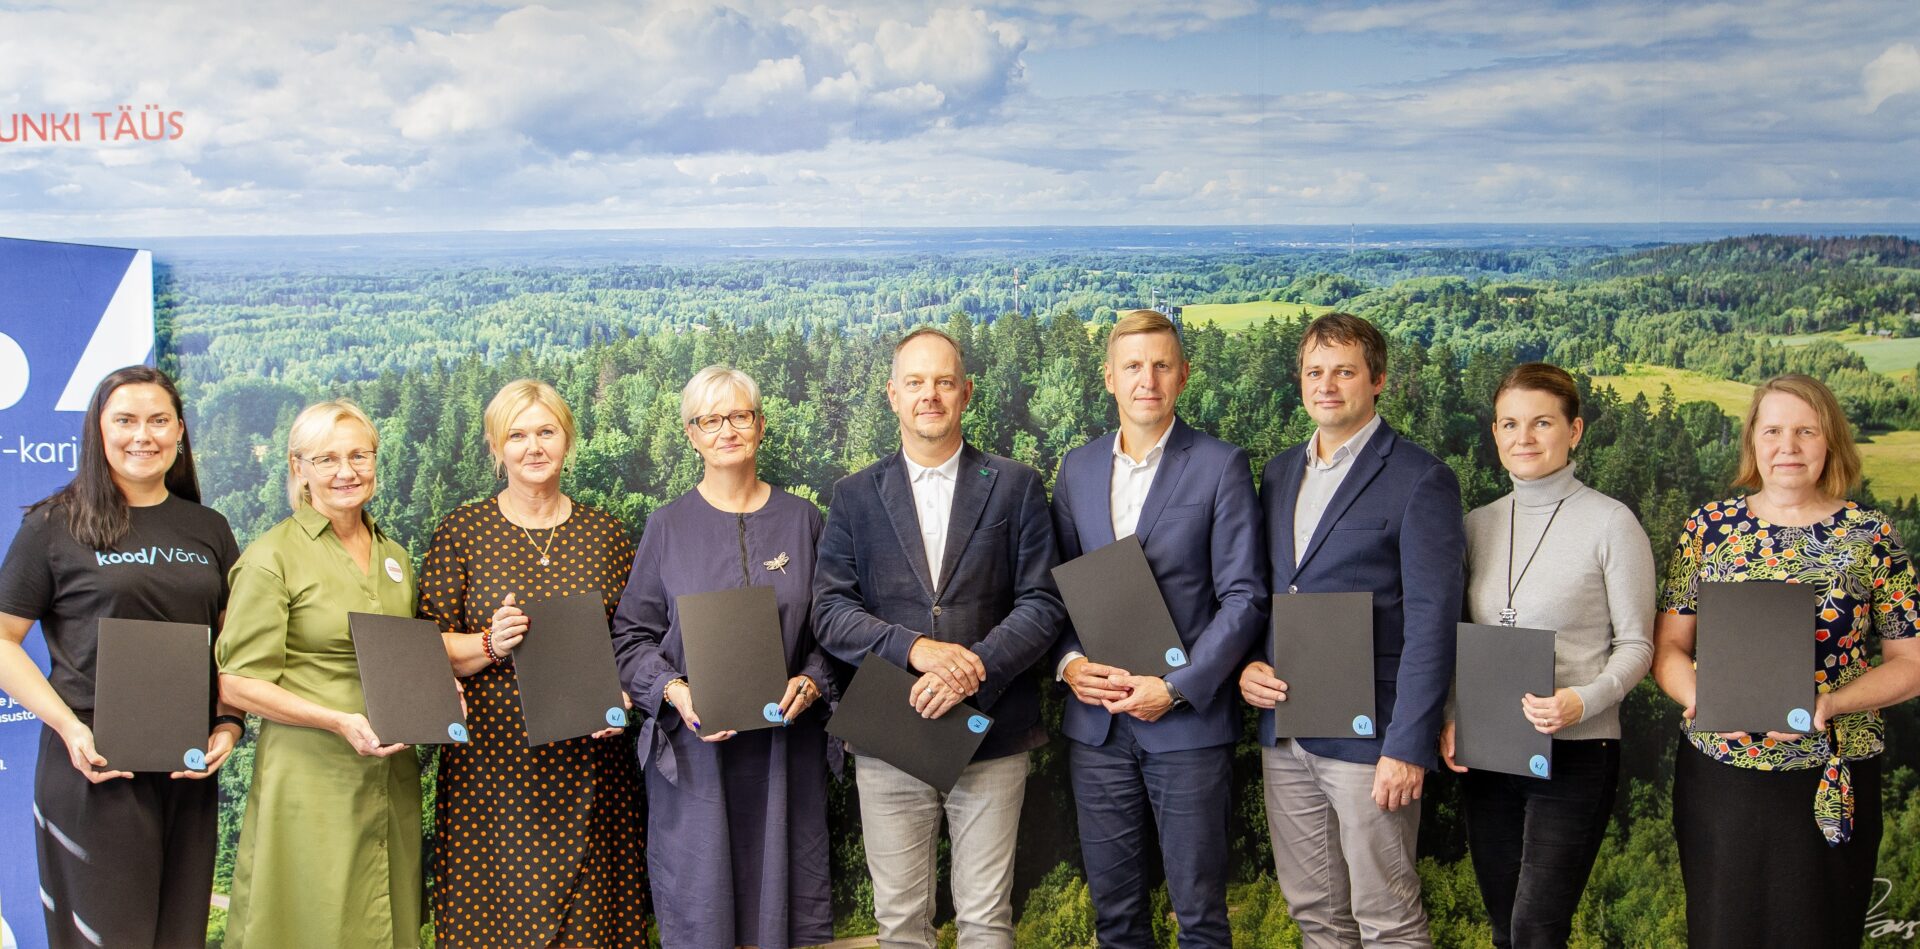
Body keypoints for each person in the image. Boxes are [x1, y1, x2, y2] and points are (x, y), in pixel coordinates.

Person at [812, 327, 1066, 949]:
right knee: (900, 924)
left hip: (992, 735)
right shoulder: (852, 496)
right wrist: (914, 650)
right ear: (892, 395)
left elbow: (1043, 602)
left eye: (944, 382)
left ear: (966, 393)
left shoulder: (1016, 485)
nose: (930, 394)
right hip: (890, 736)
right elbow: (830, 611)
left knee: (986, 920)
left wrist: (973, 668)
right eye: (916, 382)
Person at [1652, 373, 1920, 949]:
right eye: (1772, 430)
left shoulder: (1872, 536)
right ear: (1753, 441)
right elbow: (1668, 649)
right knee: (1722, 933)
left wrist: (1830, 703)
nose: (1788, 446)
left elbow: (1912, 663)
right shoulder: (1708, 528)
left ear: (1831, 441)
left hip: (1832, 775)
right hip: (1722, 776)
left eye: (1806, 431)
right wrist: (1707, 699)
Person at [1239, 312, 1464, 948]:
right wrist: (1249, 664)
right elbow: (1270, 591)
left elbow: (1433, 623)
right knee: (1316, 914)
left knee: (1387, 918)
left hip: (1374, 740)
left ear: (1378, 380)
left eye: (1344, 371)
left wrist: (1408, 746)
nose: (1327, 385)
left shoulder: (1421, 478)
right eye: (1315, 372)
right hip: (1287, 729)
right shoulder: (1280, 472)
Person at [0, 366, 241, 949]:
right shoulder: (54, 524)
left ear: (179, 431)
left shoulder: (208, 528)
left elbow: (233, 646)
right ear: (98, 430)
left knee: (179, 936)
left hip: (187, 768)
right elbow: (3, 639)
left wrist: (230, 724)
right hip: (94, 766)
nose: (143, 435)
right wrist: (69, 729)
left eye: (159, 420)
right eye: (125, 420)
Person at [1049, 309, 1266, 948]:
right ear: (1109, 378)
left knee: (1199, 917)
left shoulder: (1221, 465)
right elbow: (1053, 592)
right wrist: (1069, 664)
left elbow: (1245, 598)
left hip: (1188, 727)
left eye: (1162, 365)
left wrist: (1176, 688)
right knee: (1115, 920)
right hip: (1097, 727)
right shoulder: (1077, 469)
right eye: (1134, 366)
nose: (1148, 379)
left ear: (1183, 375)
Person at [419, 379, 647, 948]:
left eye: (546, 431)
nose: (534, 446)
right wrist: (490, 642)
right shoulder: (462, 532)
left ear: (568, 439)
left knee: (593, 928)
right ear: (497, 448)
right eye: (517, 435)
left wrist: (622, 695)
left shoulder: (606, 534)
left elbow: (633, 641)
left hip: (592, 771)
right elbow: (426, 647)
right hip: (491, 777)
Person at [612, 366, 832, 949]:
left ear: (760, 425)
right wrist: (674, 691)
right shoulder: (666, 527)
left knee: (782, 914)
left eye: (739, 416)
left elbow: (834, 632)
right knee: (701, 918)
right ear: (691, 434)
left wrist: (812, 681)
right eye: (710, 420)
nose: (727, 430)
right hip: (694, 761)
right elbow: (630, 638)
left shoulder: (804, 520)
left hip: (785, 756)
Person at [1437, 362, 1654, 949]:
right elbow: (1458, 634)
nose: (1524, 438)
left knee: (1537, 930)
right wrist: (1454, 714)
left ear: (1574, 431)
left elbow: (1637, 644)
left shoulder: (1612, 523)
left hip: (1576, 753)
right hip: (1490, 750)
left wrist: (1583, 701)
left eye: (1542, 423)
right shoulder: (1477, 524)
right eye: (1509, 424)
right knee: (1503, 927)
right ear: (1495, 433)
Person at [216, 399, 423, 949]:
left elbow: (402, 654)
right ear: (298, 468)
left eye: (359, 455)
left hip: (389, 775)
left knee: (387, 919)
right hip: (310, 776)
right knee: (310, 920)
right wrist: (336, 721)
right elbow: (237, 683)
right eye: (327, 459)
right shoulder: (271, 558)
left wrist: (436, 686)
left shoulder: (395, 556)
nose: (346, 471)